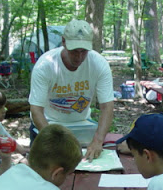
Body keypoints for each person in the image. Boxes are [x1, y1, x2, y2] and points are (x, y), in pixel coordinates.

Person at [28, 19, 114, 161]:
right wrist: (52, 140)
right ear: (63, 42)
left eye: (84, 51)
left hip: (81, 124)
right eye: (74, 51)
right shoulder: (46, 64)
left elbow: (107, 106)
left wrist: (98, 141)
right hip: (47, 124)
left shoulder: (99, 64)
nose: (79, 57)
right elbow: (36, 109)